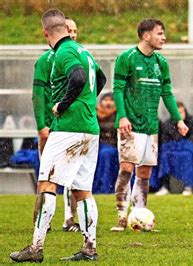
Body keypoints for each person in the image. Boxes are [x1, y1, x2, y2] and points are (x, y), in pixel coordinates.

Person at [10, 9, 106, 262]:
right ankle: (89, 248)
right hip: (90, 129)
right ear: (65, 27)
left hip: (68, 129)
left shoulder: (62, 52)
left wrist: (63, 105)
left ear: (45, 32)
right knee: (82, 191)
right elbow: (101, 77)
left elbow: (78, 76)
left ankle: (36, 248)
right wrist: (85, 103)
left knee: (46, 184)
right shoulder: (82, 50)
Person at [111, 18, 189, 232]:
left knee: (144, 173)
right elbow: (117, 90)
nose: (164, 38)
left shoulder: (161, 62)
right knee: (126, 169)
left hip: (150, 127)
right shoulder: (126, 58)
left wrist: (178, 119)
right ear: (146, 36)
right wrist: (122, 117)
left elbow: (167, 93)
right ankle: (120, 216)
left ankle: (140, 215)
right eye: (160, 33)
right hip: (130, 125)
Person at [31, 16, 81, 233]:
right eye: (69, 29)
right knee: (47, 175)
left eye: (75, 31)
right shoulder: (46, 60)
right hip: (52, 126)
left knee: (73, 176)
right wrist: (42, 125)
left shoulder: (78, 57)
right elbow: (38, 94)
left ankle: (69, 219)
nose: (72, 34)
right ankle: (42, 221)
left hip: (71, 125)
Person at [154, 101, 193, 196]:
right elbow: (165, 141)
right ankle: (165, 186)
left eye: (181, 112)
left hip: (189, 151)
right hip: (173, 151)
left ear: (185, 111)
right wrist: (177, 146)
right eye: (177, 113)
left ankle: (188, 186)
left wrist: (178, 145)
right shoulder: (168, 124)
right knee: (164, 156)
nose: (179, 115)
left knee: (187, 156)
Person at [92, 92, 119, 193]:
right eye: (105, 100)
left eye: (111, 100)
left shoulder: (118, 114)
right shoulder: (94, 114)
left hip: (112, 145)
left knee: (106, 155)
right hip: (97, 144)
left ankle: (105, 188)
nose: (108, 103)